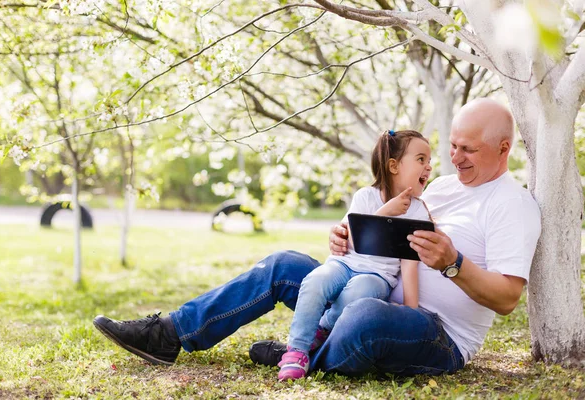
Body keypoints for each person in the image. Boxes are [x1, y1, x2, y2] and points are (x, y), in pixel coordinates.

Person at [93, 98, 541, 377]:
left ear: (504, 149)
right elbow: (390, 238)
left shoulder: (512, 205)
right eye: (453, 146)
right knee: (285, 264)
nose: (454, 158)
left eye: (468, 149)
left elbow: (505, 299)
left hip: (435, 332)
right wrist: (350, 238)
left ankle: (303, 353)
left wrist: (453, 263)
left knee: (366, 315)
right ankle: (170, 333)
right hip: (376, 288)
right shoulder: (440, 187)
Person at [277, 130, 432, 381]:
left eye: (429, 161)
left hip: (377, 276)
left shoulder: (418, 212)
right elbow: (351, 238)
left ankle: (324, 328)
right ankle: (297, 351)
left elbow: (409, 261)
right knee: (315, 282)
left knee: (358, 293)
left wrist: (410, 307)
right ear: (393, 166)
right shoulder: (364, 196)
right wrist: (386, 211)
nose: (429, 167)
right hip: (345, 263)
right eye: (421, 159)